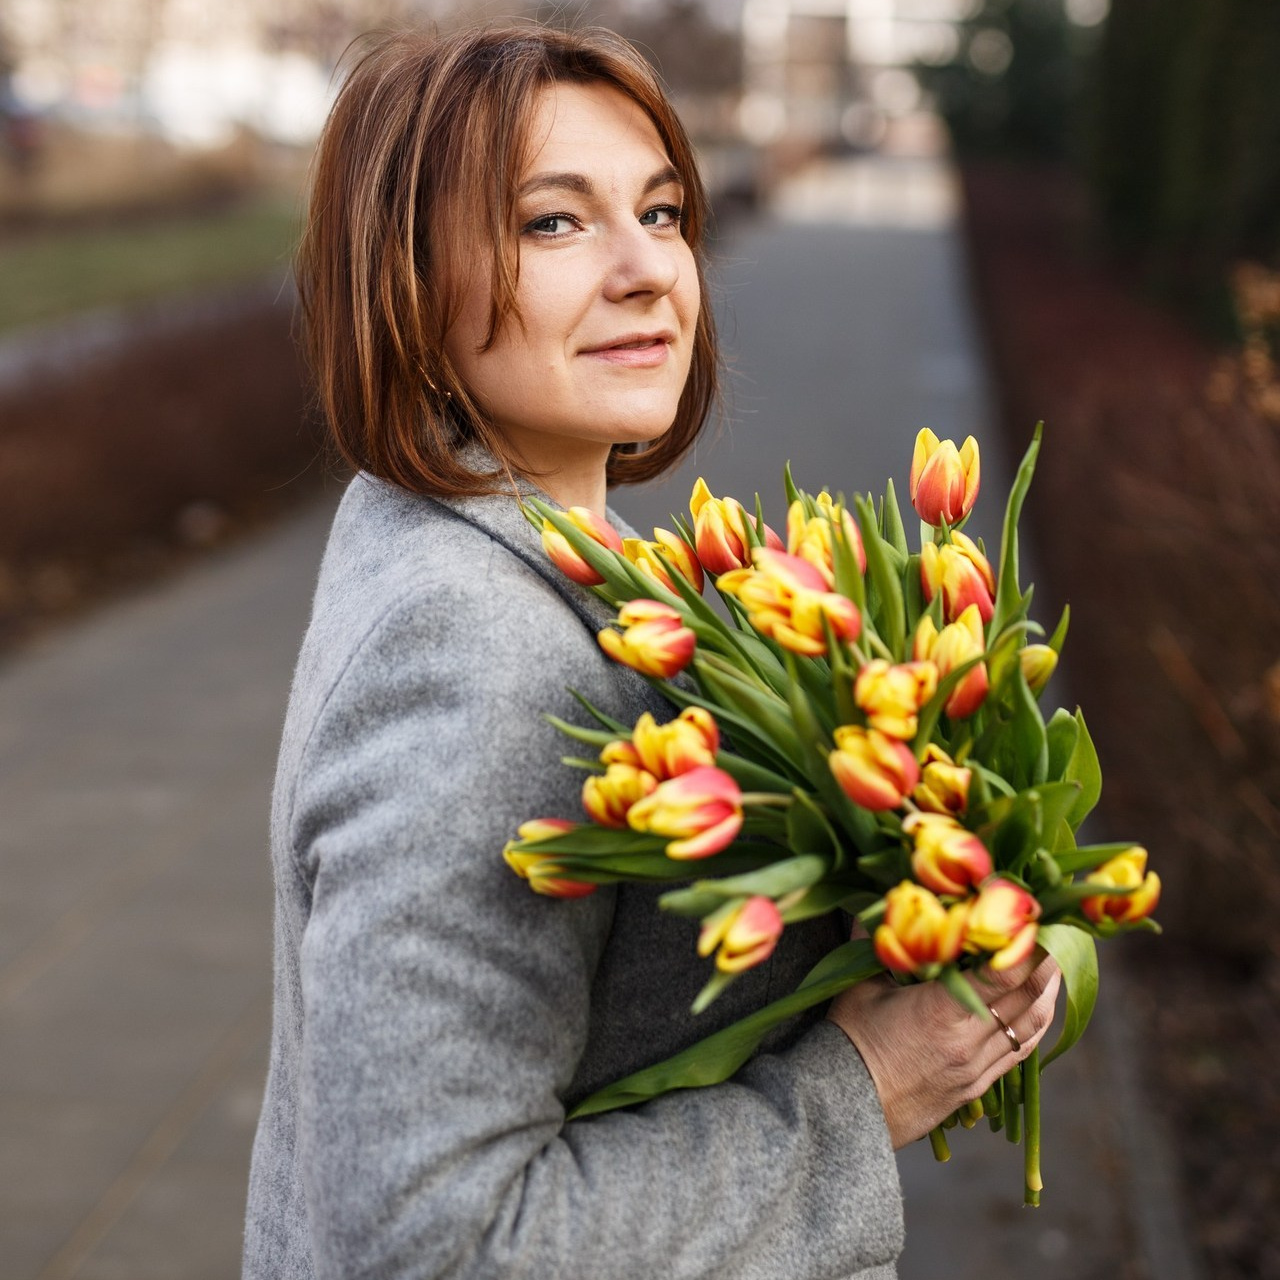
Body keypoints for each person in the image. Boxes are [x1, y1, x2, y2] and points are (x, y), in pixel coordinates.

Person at [242, 23, 1060, 1280]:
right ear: (404, 283)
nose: (647, 271)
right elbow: (438, 1240)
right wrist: (866, 1085)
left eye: (663, 211)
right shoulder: (473, 652)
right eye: (551, 224)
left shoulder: (532, 550)